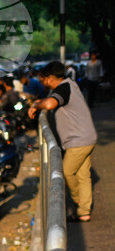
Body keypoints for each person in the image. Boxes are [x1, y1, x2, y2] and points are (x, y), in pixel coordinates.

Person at [29, 60, 98, 223]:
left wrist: (36, 104)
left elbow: (50, 104)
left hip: (79, 141)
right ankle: (84, 212)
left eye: (43, 80)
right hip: (87, 138)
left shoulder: (63, 89)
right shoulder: (71, 85)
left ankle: (78, 201)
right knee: (83, 176)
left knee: (66, 172)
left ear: (50, 78)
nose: (42, 83)